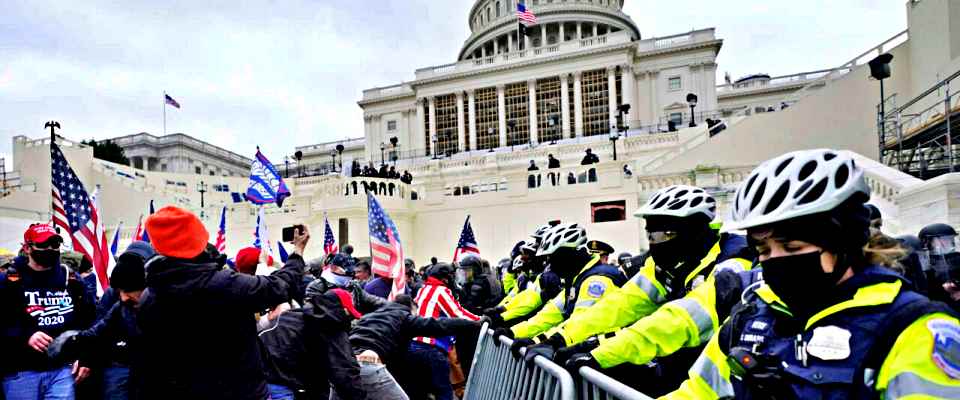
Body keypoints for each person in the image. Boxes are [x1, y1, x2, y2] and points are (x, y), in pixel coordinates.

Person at [665, 149, 960, 398]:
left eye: (792, 247)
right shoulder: (751, 315)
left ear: (842, 243)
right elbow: (695, 392)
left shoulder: (913, 330)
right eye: (763, 251)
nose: (776, 261)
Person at [536, 186, 755, 395]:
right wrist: (560, 338)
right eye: (650, 236)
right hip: (684, 370)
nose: (654, 244)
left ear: (694, 231)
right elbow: (618, 306)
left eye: (662, 235)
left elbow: (679, 320)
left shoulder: (734, 262)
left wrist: (600, 355)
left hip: (731, 378)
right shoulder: (665, 265)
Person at [135, 206, 308, 400]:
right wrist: (298, 252)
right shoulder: (224, 285)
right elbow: (280, 286)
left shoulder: (149, 297)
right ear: (198, 241)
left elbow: (148, 363)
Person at [496, 223, 627, 360]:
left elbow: (580, 323)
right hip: (596, 352)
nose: (550, 265)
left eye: (552, 258)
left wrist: (541, 341)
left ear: (567, 254)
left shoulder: (597, 281)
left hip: (617, 358)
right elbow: (548, 315)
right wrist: (513, 332)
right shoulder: (577, 279)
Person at [49, 241, 155, 400]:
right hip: (120, 364)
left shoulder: (167, 302)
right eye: (120, 292)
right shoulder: (120, 306)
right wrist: (72, 342)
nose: (123, 297)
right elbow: (98, 330)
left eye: (128, 291)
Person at [1, 223, 96, 400]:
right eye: (44, 245)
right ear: (27, 248)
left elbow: (89, 322)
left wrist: (86, 356)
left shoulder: (72, 279)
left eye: (55, 244)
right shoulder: (9, 280)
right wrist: (25, 335)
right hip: (21, 371)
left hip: (62, 370)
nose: (50, 249)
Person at [344, 294, 481, 400]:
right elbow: (440, 325)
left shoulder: (371, 316)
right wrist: (475, 324)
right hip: (369, 362)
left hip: (344, 362)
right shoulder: (404, 318)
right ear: (411, 308)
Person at [258, 282, 366, 400]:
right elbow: (345, 372)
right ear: (343, 311)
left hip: (256, 380)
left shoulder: (291, 315)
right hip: (284, 387)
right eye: (350, 316)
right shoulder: (332, 327)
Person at [410, 263, 481, 400]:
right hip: (431, 348)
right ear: (445, 279)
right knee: (444, 392)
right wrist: (479, 320)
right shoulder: (441, 291)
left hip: (413, 346)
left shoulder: (423, 289)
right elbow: (457, 313)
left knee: (420, 392)